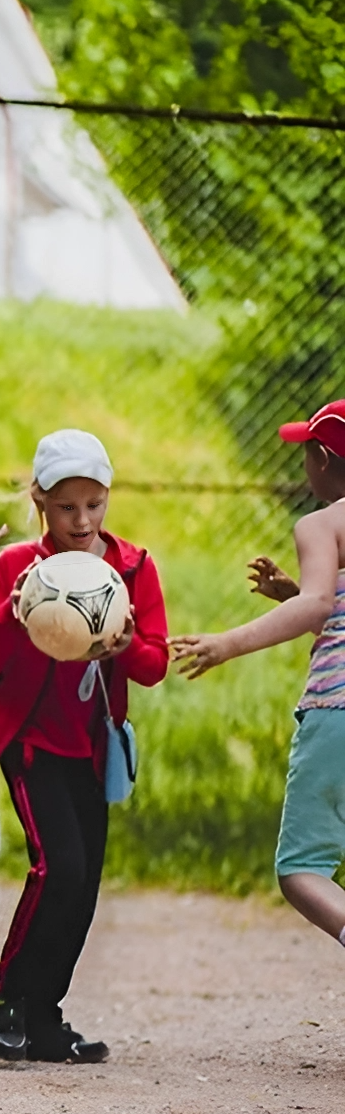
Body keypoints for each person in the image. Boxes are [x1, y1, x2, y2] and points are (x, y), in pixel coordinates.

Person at [0, 429, 167, 1064]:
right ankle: (5, 998)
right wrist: (16, 609)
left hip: (90, 745)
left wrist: (124, 643)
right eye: (65, 508)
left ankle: (45, 1016)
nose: (81, 521)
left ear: (107, 498)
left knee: (84, 888)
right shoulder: (17, 568)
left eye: (94, 505)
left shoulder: (132, 568)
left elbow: (153, 664)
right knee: (61, 870)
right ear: (39, 501)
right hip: (29, 738)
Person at [174, 400, 345, 951]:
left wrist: (226, 643)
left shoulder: (321, 524)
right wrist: (292, 594)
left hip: (336, 714)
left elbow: (320, 608)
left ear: (322, 457)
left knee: (302, 867)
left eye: (305, 452)